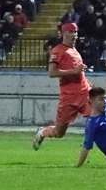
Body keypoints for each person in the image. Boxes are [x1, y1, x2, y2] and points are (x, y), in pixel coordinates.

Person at [33, 22, 92, 150]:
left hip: (84, 93)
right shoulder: (58, 50)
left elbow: (77, 71)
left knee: (99, 120)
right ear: (64, 34)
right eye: (70, 32)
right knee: (59, 132)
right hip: (68, 97)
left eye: (75, 32)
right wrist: (74, 71)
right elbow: (52, 72)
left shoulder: (75, 50)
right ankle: (42, 132)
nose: (74, 35)